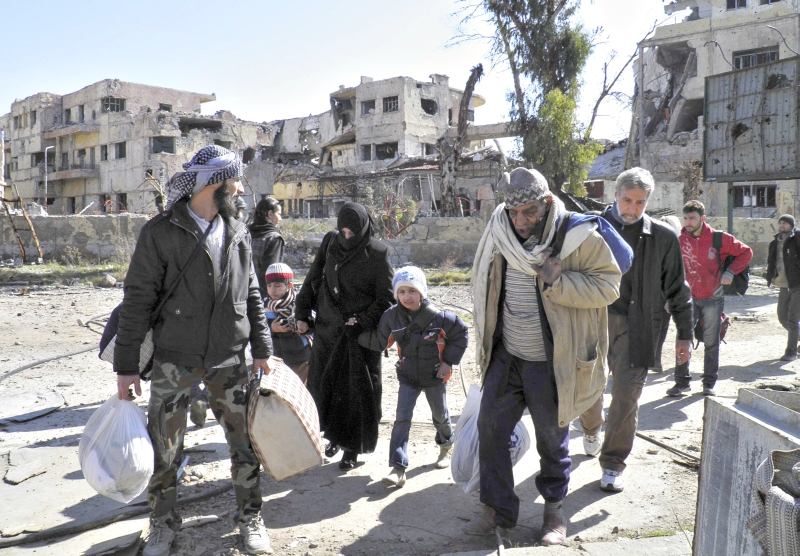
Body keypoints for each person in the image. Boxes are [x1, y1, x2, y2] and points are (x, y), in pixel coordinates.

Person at [114, 145, 273, 556]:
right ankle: (163, 525)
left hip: (230, 357)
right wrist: (126, 368)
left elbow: (252, 292)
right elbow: (137, 301)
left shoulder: (238, 230)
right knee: (165, 450)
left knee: (245, 444)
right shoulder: (161, 232)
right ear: (214, 183)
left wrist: (263, 347)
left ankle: (250, 517)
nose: (240, 188)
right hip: (174, 359)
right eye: (235, 180)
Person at [468, 167, 623, 546]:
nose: (521, 221)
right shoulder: (499, 230)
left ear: (547, 203)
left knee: (552, 442)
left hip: (554, 361)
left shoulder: (576, 236)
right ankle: (497, 509)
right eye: (514, 212)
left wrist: (558, 280)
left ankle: (554, 512)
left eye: (530, 212)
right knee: (489, 432)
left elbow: (609, 285)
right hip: (507, 354)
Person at [579, 168, 693, 495]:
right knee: (589, 386)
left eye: (640, 202)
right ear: (615, 196)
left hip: (637, 325)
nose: (632, 208)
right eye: (627, 200)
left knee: (627, 395)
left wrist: (684, 332)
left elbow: (677, 288)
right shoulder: (591, 229)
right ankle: (590, 428)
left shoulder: (662, 237)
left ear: (648, 202)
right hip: (593, 320)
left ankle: (613, 463)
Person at [294, 201, 394, 470]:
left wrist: (362, 320)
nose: (347, 237)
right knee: (324, 387)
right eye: (343, 231)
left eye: (353, 232)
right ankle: (333, 437)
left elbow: (387, 299)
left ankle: (352, 449)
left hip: (358, 337)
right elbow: (313, 278)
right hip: (328, 330)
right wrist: (302, 313)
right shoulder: (330, 243)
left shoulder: (378, 253)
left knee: (356, 394)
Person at [372, 266, 468, 488]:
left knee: (440, 416)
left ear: (422, 292)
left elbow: (461, 333)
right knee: (401, 419)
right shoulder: (390, 316)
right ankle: (397, 468)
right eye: (402, 291)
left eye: (412, 291)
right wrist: (353, 331)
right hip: (407, 376)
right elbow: (379, 340)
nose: (407, 296)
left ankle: (446, 445)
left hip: (434, 375)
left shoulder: (440, 318)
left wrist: (448, 363)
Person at [666, 200, 752, 397]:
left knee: (711, 342)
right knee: (683, 339)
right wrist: (669, 297)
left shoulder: (719, 239)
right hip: (687, 299)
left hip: (713, 298)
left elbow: (746, 252)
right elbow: (672, 270)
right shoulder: (681, 241)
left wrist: (730, 272)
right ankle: (681, 383)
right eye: (685, 218)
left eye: (692, 218)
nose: (688, 222)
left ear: (703, 219)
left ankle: (709, 383)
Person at [264, 262, 312, 382]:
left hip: (300, 358)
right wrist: (271, 327)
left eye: (277, 285)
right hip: (275, 360)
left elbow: (314, 322)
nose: (272, 290)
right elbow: (255, 328)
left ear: (289, 285)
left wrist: (305, 326)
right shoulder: (264, 305)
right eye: (269, 286)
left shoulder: (300, 303)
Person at [766, 215, 800, 361]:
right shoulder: (774, 243)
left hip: (797, 284)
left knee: (793, 318)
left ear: (791, 226)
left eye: (785, 223)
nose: (782, 225)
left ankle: (791, 352)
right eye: (780, 223)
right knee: (782, 316)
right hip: (783, 284)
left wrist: (797, 233)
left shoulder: (796, 240)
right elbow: (771, 262)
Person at [250, 198, 285, 298]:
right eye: (279, 214)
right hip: (262, 297)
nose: (281, 219)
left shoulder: (245, 234)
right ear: (270, 214)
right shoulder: (274, 238)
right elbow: (272, 273)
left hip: (242, 294)